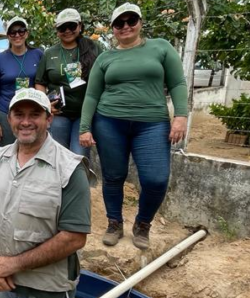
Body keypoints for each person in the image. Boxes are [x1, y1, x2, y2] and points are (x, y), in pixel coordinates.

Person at [79, 2, 188, 250]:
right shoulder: (105, 58)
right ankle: (114, 222)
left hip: (152, 124)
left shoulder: (160, 47)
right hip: (109, 122)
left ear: (140, 22)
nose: (125, 26)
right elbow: (92, 95)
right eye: (119, 23)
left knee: (156, 179)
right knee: (113, 176)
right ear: (113, 29)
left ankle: (142, 224)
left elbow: (178, 83)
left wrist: (181, 116)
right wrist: (85, 127)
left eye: (131, 21)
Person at [0, 88, 91, 298]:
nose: (26, 122)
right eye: (19, 114)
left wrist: (12, 264)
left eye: (35, 115)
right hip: (6, 283)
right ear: (10, 118)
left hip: (47, 289)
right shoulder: (0, 158)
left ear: (49, 119)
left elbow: (74, 238)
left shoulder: (69, 169)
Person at [35, 8, 101, 156]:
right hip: (59, 114)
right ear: (57, 30)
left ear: (79, 26)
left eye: (71, 26)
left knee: (79, 156)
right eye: (62, 27)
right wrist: (45, 104)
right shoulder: (49, 53)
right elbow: (40, 82)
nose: (67, 31)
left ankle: (80, 180)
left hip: (84, 114)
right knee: (59, 156)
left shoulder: (93, 48)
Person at [0, 17, 45, 147]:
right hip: (7, 113)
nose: (17, 35)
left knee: (33, 149)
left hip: (33, 111)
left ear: (27, 33)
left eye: (21, 31)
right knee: (9, 152)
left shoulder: (38, 54)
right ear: (8, 36)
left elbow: (44, 82)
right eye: (12, 32)